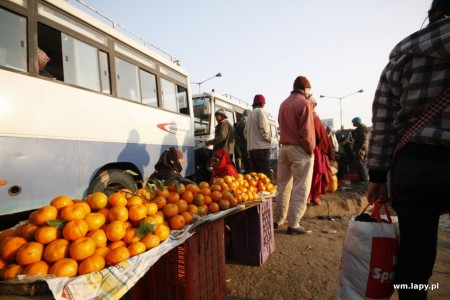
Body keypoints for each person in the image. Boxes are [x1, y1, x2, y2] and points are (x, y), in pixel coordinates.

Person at [366, 1, 450, 299]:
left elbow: (383, 119)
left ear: (431, 15)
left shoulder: (405, 57)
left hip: (414, 166)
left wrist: (376, 174)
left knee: (414, 259)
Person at [273, 76, 315, 235]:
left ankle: (278, 220)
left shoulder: (283, 103)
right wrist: (309, 150)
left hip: (284, 149)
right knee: (300, 187)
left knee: (283, 186)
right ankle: (294, 224)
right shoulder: (304, 103)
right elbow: (307, 132)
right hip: (299, 149)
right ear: (305, 89)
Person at [308, 100, 334, 206]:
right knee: (317, 173)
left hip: (304, 149)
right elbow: (322, 137)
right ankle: (314, 196)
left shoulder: (302, 116)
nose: (314, 106)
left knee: (307, 174)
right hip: (314, 149)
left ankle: (309, 196)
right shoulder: (314, 117)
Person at [245, 94, 272, 177]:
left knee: (255, 176)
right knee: (264, 176)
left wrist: (251, 141)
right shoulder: (261, 111)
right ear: (261, 103)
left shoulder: (249, 115)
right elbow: (264, 129)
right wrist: (270, 139)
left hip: (251, 149)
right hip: (261, 148)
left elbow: (245, 132)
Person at [350, 116, 369, 183]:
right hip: (362, 148)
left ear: (356, 122)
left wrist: (358, 149)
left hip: (361, 149)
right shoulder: (360, 128)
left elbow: (362, 140)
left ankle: (364, 179)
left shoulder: (361, 129)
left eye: (353, 123)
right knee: (360, 164)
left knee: (360, 164)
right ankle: (362, 178)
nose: (353, 124)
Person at [234, 109, 252, 173]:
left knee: (247, 164)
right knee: (250, 164)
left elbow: (236, 134)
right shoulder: (249, 122)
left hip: (244, 146)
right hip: (249, 146)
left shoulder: (243, 122)